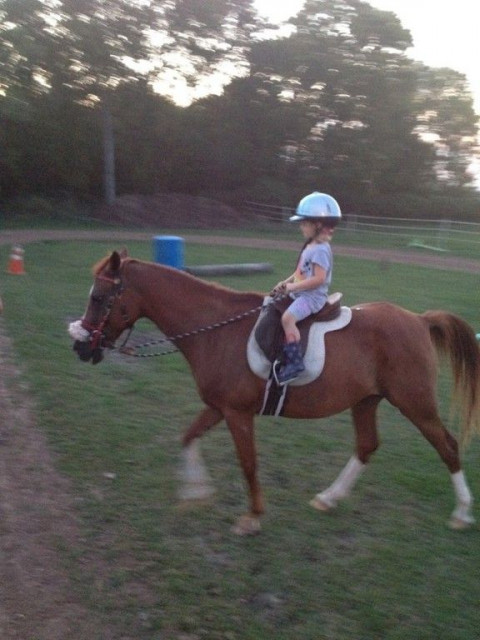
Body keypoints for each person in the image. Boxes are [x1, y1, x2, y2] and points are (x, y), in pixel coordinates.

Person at [271, 191, 342, 385]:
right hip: (300, 293)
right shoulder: (310, 245)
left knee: (287, 318)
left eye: (304, 223)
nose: (301, 226)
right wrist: (285, 284)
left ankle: (295, 364)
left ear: (318, 224)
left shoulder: (320, 250)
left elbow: (318, 279)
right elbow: (300, 272)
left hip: (312, 299)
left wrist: (292, 288)